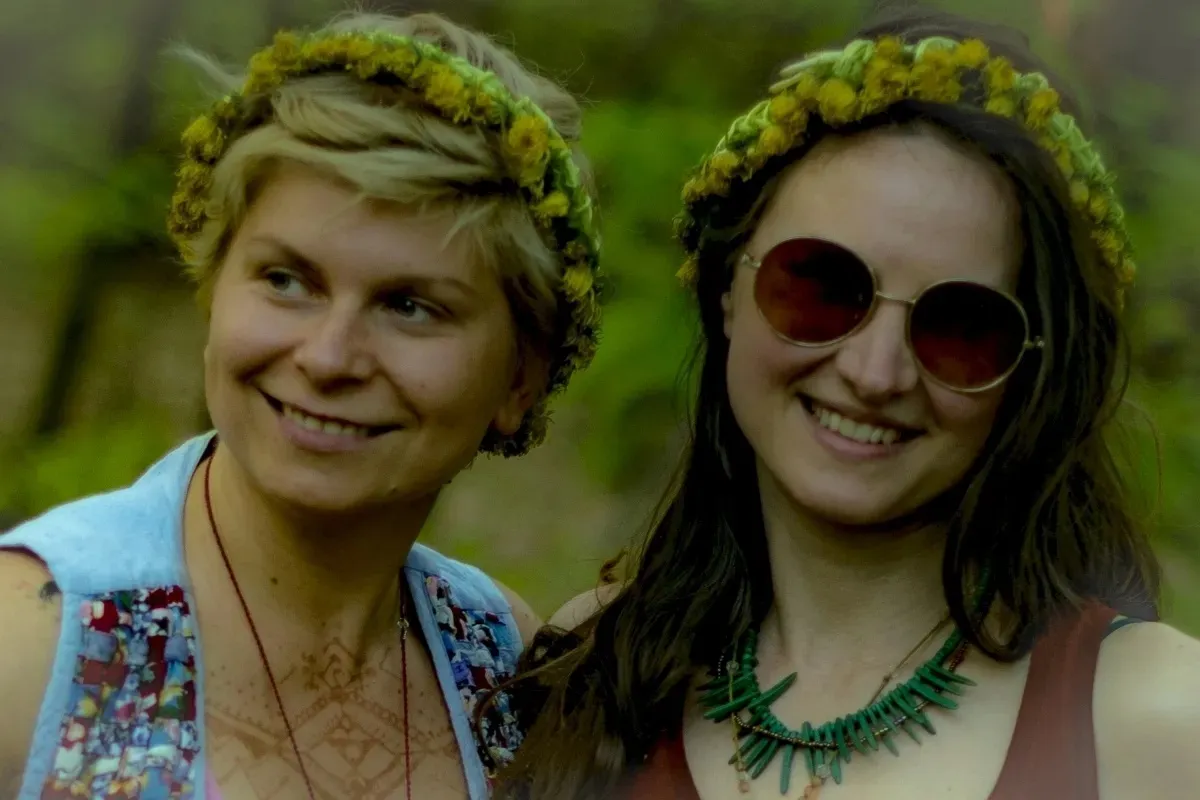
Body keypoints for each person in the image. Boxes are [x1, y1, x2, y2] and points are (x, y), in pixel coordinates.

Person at [495, 6, 1200, 800]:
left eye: (961, 326)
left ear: (1034, 370)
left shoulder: (1156, 723)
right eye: (824, 287)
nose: (874, 372)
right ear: (728, 288)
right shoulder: (586, 674)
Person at [0, 10, 600, 800]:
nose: (326, 357)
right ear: (214, 286)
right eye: (287, 279)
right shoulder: (35, 646)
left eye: (411, 306)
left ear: (521, 379)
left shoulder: (496, 660)